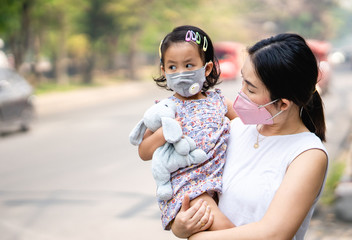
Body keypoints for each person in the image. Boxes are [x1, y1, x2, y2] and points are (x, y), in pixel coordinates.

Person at [171, 33, 329, 240]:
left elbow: (274, 234)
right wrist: (180, 226)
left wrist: (198, 238)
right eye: (243, 81)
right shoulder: (234, 129)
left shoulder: (308, 155)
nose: (241, 93)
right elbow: (196, 187)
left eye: (251, 89)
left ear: (283, 103)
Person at [137, 25, 236, 231]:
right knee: (228, 232)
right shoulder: (165, 110)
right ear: (164, 71)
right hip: (188, 189)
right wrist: (163, 134)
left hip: (219, 183)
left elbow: (247, 130)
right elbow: (144, 152)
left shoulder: (219, 103)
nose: (181, 73)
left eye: (189, 65)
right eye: (173, 67)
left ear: (206, 69)